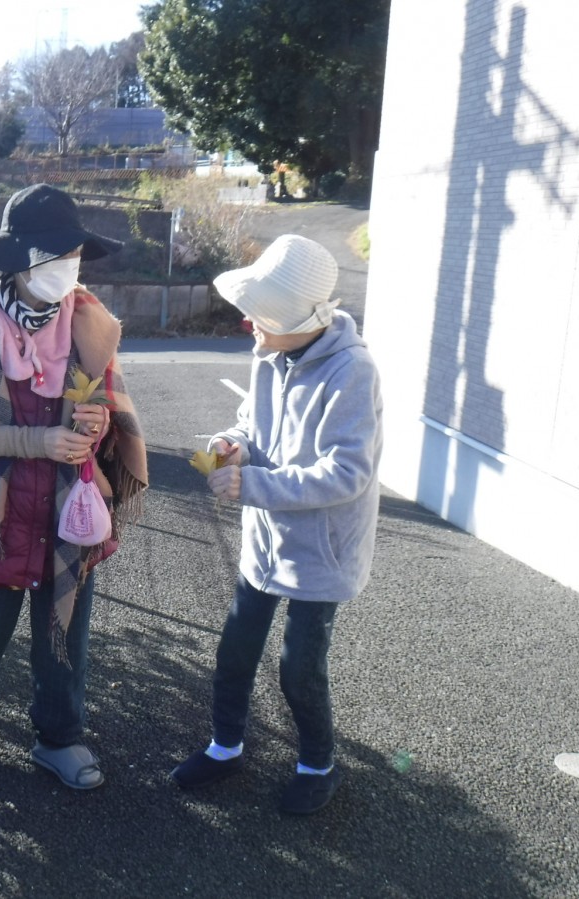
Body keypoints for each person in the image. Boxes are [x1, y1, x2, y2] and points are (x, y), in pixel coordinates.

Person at [0, 184, 148, 791]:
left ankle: (59, 738)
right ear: (20, 261)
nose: (69, 268)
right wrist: (36, 442)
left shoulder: (90, 323)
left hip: (67, 511)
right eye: (56, 256)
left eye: (75, 255)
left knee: (65, 635)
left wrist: (94, 426)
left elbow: (111, 415)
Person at [170, 234, 382, 815]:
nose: (250, 325)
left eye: (260, 316)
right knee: (235, 652)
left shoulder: (352, 370)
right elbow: (250, 425)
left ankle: (318, 764)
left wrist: (252, 485)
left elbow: (347, 473)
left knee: (299, 668)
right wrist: (231, 444)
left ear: (299, 320)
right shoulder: (270, 353)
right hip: (266, 540)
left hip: (323, 550)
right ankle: (225, 748)